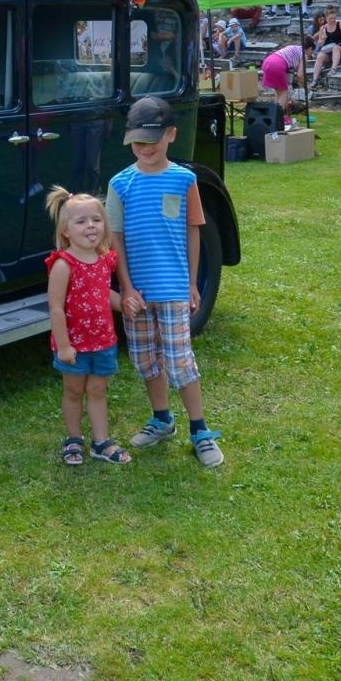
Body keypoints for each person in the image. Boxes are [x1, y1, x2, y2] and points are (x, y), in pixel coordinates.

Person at [110, 96, 222, 468]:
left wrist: (191, 283)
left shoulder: (184, 179)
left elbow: (193, 231)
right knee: (145, 360)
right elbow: (117, 239)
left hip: (172, 287)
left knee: (179, 361)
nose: (145, 148)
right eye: (137, 142)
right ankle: (162, 419)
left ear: (171, 135)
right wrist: (125, 287)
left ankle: (200, 430)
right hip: (137, 294)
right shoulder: (120, 185)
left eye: (152, 140)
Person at [44, 185, 129, 467]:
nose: (90, 226)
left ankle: (101, 442)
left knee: (97, 391)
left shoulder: (104, 260)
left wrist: (123, 302)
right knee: (73, 391)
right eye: (81, 221)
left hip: (103, 341)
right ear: (66, 231)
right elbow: (56, 307)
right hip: (75, 346)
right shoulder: (63, 264)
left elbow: (103, 293)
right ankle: (74, 439)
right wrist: (64, 345)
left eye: (96, 219)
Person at [309, 8, 341, 88]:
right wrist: (324, 38)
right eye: (330, 18)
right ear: (326, 18)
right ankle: (315, 79)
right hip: (327, 50)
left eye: (334, 18)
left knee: (335, 48)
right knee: (320, 56)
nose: (333, 20)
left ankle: (333, 69)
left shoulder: (340, 24)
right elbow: (320, 44)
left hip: (339, 48)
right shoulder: (322, 28)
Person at [260, 42, 301, 111]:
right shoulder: (302, 54)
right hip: (277, 65)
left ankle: (274, 114)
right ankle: (279, 116)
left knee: (278, 91)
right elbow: (300, 75)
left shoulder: (292, 49)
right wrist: (303, 84)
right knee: (284, 92)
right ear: (310, 49)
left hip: (268, 61)